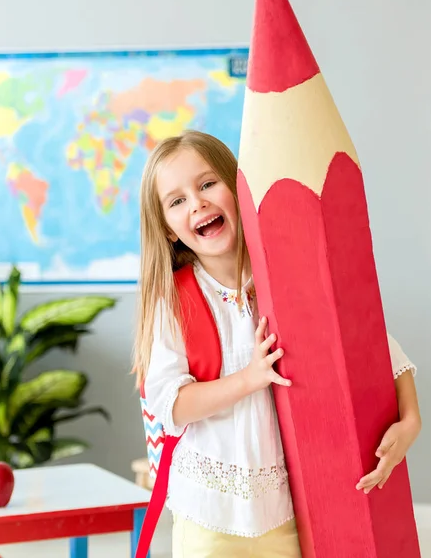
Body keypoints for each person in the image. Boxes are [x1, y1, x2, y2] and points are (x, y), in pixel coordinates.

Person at [133, 130, 421, 557]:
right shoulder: (171, 301)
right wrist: (249, 378)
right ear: (169, 230)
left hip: (288, 510)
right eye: (176, 201)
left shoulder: (288, 279)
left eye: (207, 184)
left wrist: (411, 420)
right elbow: (171, 405)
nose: (197, 203)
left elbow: (374, 346)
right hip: (209, 515)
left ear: (238, 189)